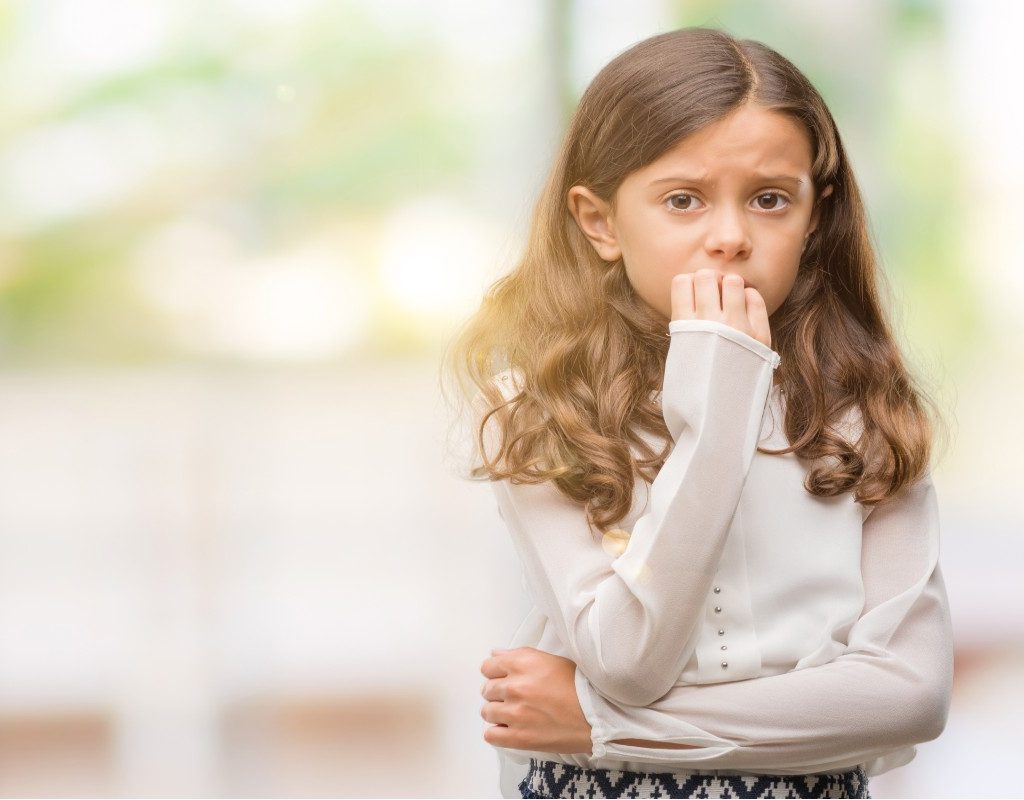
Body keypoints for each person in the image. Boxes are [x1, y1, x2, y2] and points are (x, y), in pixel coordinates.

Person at [441, 25, 953, 800]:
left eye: (770, 199)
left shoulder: (865, 414)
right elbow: (627, 658)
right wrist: (717, 410)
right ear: (600, 222)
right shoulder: (537, 410)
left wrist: (599, 724)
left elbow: (908, 697)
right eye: (683, 200)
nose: (729, 237)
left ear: (815, 217)